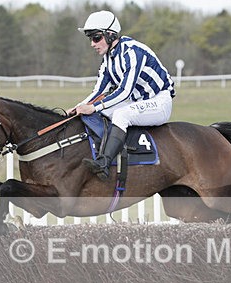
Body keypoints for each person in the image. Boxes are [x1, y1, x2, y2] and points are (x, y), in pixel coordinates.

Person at [68, 11, 176, 181]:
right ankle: (103, 152)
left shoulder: (132, 52)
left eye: (96, 38)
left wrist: (93, 106)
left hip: (159, 101)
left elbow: (125, 91)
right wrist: (78, 107)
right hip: (137, 100)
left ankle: (104, 163)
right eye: (90, 39)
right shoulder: (108, 59)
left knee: (120, 114)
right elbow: (99, 91)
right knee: (99, 113)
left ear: (110, 35)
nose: (92, 44)